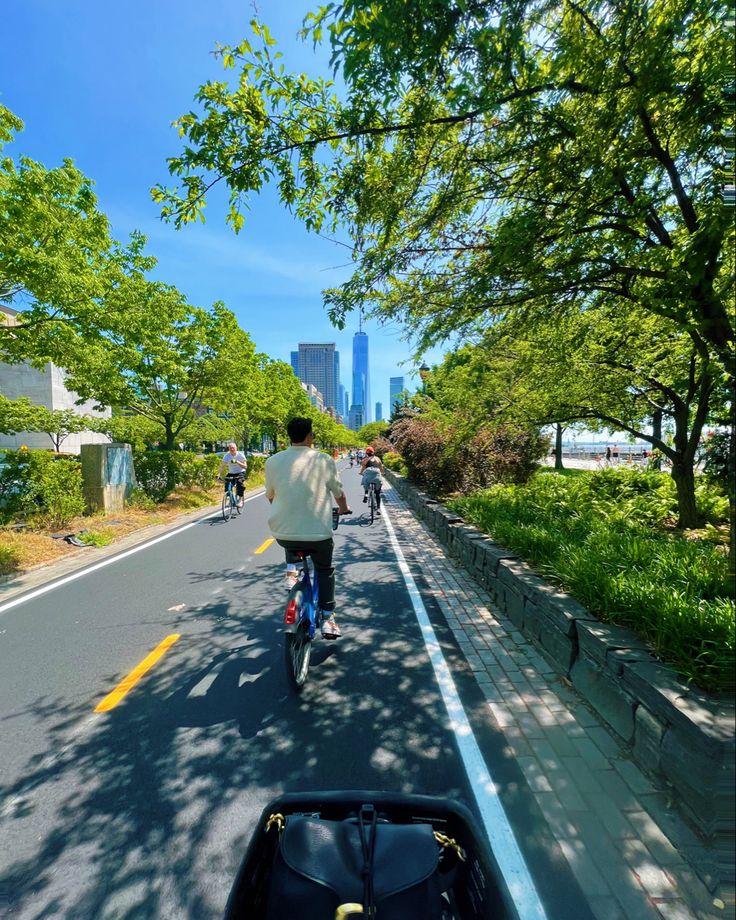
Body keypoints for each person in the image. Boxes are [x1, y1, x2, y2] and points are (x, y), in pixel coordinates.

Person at [265, 417, 351, 639]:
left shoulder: (272, 461)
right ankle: (328, 618)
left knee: (290, 534)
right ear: (310, 436)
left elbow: (271, 496)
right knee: (325, 569)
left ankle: (291, 571)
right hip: (318, 534)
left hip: (282, 534)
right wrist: (343, 508)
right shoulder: (323, 460)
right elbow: (339, 494)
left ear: (289, 436)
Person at [219, 443, 247, 509]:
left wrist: (237, 462)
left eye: (233, 448)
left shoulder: (240, 455)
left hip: (240, 472)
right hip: (231, 473)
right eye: (230, 448)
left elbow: (245, 466)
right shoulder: (227, 456)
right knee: (227, 483)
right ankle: (229, 497)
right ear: (228, 449)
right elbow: (222, 466)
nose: (232, 449)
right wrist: (218, 474)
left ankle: (240, 500)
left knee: (240, 483)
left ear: (236, 448)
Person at [360, 446, 384, 513]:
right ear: (373, 452)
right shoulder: (377, 459)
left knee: (365, 482)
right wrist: (382, 473)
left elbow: (362, 468)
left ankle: (366, 493)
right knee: (378, 493)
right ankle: (378, 508)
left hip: (368, 474)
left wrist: (361, 472)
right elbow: (381, 467)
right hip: (376, 475)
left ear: (366, 453)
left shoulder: (365, 459)